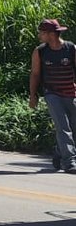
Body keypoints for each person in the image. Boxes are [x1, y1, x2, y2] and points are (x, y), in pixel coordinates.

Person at [29, 18, 76, 173]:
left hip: (71, 93)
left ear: (51, 34)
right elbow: (35, 74)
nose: (39, 36)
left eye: (41, 33)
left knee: (73, 128)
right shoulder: (40, 51)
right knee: (63, 128)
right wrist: (33, 95)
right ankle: (69, 162)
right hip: (52, 94)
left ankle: (59, 152)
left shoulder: (71, 49)